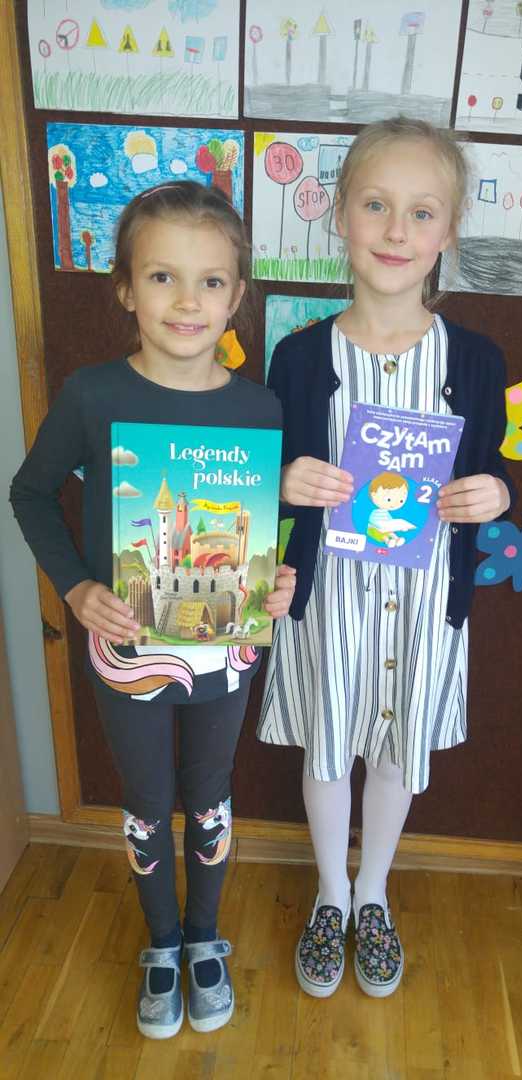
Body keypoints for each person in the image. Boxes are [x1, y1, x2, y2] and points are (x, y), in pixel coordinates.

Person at [10, 181, 295, 1039]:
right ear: (126, 289)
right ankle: (162, 942)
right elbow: (30, 493)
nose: (187, 301)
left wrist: (277, 581)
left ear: (237, 297)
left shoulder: (259, 408)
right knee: (146, 796)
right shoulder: (92, 395)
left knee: (209, 793)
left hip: (223, 650)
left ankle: (204, 936)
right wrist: (76, 587)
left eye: (211, 281)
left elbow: (259, 528)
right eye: (163, 276)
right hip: (128, 646)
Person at [257, 117, 515, 1000]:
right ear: (340, 216)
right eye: (376, 205)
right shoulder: (299, 357)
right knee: (329, 748)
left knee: (399, 753)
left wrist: (496, 493)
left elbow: (491, 467)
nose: (397, 231)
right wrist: (284, 482)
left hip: (426, 597)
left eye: (421, 212)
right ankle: (331, 893)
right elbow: (265, 482)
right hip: (330, 599)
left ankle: (373, 893)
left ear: (448, 231)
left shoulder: (475, 361)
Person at [367, 472, 414, 547]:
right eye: (389, 499)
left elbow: (391, 522)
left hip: (385, 529)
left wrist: (401, 527)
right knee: (382, 535)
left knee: (391, 533)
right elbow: (372, 521)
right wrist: (381, 526)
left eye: (401, 500)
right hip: (373, 529)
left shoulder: (386, 513)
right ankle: (387, 541)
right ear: (374, 495)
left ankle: (397, 539)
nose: (394, 504)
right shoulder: (375, 512)